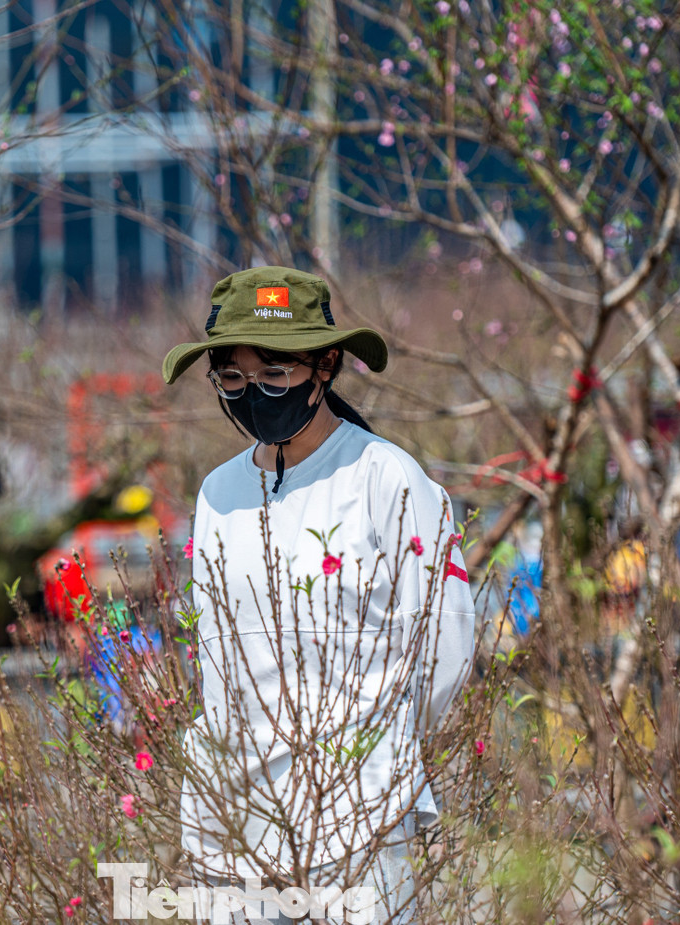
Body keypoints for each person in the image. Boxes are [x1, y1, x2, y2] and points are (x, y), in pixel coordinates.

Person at [162, 268, 476, 924]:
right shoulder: (218, 494)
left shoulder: (387, 479)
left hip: (357, 812)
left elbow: (445, 640)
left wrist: (377, 745)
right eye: (233, 380)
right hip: (236, 815)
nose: (255, 395)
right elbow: (215, 654)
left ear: (326, 364)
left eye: (275, 376)